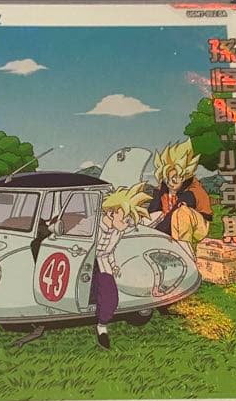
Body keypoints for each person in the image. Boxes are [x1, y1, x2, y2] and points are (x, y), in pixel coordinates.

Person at [91, 183, 152, 350]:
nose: (126, 224)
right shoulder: (93, 225)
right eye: (124, 219)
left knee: (110, 297)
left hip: (102, 262)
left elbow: (108, 251)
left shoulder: (118, 231)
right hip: (85, 261)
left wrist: (113, 265)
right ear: (111, 213)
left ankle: (102, 327)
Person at [148, 140, 212, 256]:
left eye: (174, 179)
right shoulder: (162, 189)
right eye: (167, 179)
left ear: (183, 176)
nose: (170, 183)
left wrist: (156, 236)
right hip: (170, 226)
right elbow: (152, 212)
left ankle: (185, 253)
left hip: (197, 228)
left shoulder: (192, 191)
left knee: (181, 213)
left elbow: (174, 214)